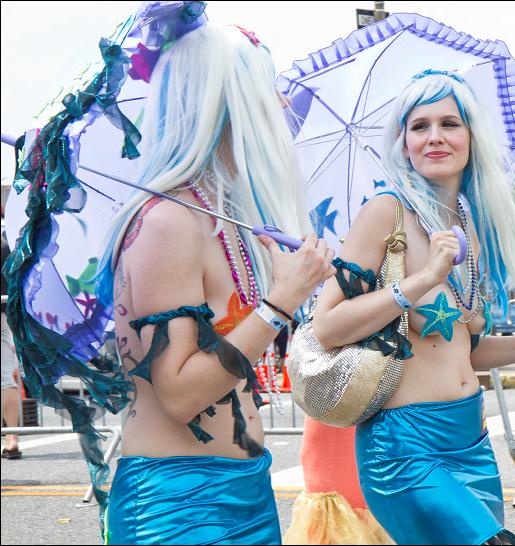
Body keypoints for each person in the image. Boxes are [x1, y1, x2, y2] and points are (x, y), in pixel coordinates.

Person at [311, 71, 515, 545]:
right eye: (420, 126)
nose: (435, 137)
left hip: (471, 442)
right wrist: (423, 279)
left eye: (449, 124)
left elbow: (460, 349)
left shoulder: (468, 223)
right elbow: (327, 327)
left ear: (471, 137)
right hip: (405, 447)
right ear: (403, 143)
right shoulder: (385, 213)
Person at [95, 24, 335, 544]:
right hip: (178, 507)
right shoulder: (168, 222)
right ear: (223, 102)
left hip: (245, 493)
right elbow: (181, 396)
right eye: (266, 87)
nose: (282, 102)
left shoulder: (223, 217)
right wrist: (280, 302)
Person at [1, 203, 22, 460]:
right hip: (3, 312)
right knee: (5, 376)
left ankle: (12, 437)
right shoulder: (7, 242)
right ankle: (12, 437)